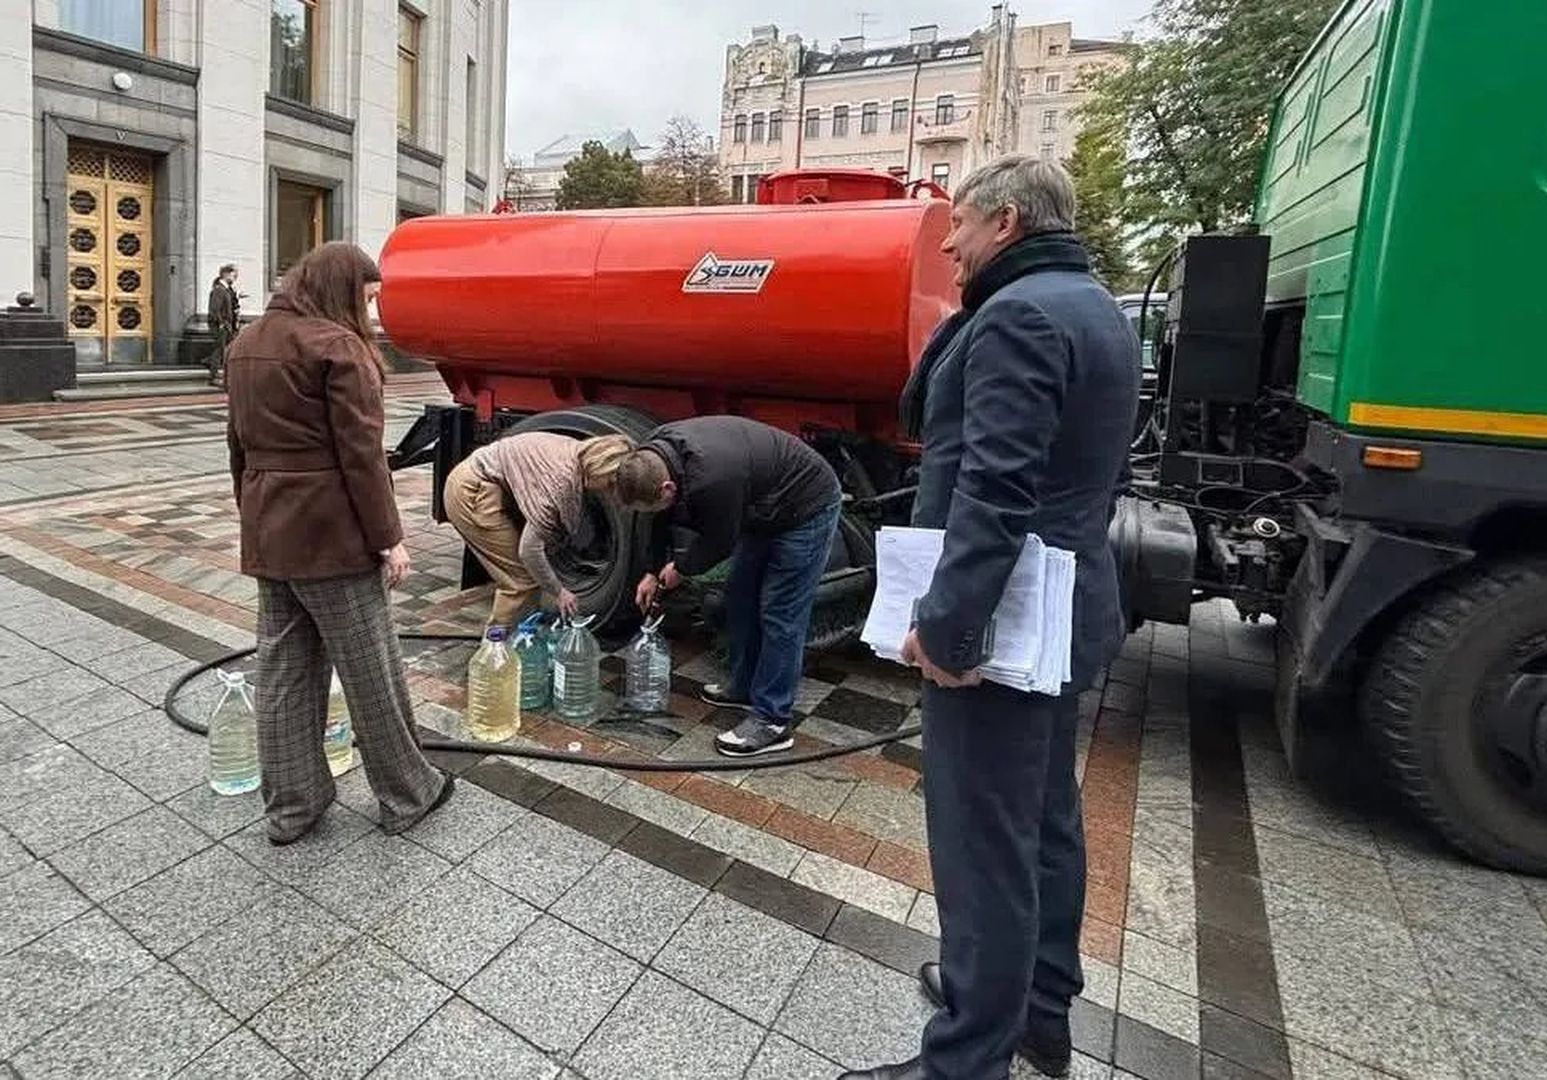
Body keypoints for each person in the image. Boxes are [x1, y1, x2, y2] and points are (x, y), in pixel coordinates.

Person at [837, 157, 1138, 1080]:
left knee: (982, 846)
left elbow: (996, 487)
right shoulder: (1091, 306)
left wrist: (951, 625)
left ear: (1004, 221)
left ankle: (966, 1059)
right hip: (1067, 603)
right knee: (1043, 820)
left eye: (958, 228)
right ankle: (1037, 1007)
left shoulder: (1017, 315)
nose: (951, 247)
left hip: (1005, 623)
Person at [225, 242, 453, 845]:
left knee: (282, 671)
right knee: (369, 667)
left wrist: (252, 513)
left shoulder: (247, 342)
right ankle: (409, 793)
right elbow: (361, 458)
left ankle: (292, 810)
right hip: (331, 536)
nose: (371, 314)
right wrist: (389, 539)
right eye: (367, 298)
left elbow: (237, 447)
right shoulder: (338, 347)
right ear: (340, 289)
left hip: (270, 529)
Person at [607, 416, 841, 757]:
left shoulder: (713, 479)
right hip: (763, 505)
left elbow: (719, 542)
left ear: (667, 489)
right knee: (740, 597)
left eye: (657, 502)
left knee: (780, 612)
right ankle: (744, 686)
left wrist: (680, 568)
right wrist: (649, 571)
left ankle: (772, 721)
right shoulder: (653, 455)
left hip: (805, 507)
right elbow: (654, 518)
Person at [442, 430, 634, 627]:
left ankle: (519, 638)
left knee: (530, 577)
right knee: (522, 581)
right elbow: (530, 552)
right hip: (472, 491)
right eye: (610, 483)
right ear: (601, 467)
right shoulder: (560, 484)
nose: (610, 491)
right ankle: (497, 650)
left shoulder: (575, 451)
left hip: (481, 480)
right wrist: (558, 591)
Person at [207, 264, 241, 387]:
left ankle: (215, 369)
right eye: (233, 274)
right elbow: (214, 309)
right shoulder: (219, 290)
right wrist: (221, 323)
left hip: (227, 326)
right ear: (226, 274)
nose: (235, 277)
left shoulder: (227, 290)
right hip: (221, 326)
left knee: (224, 351)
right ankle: (213, 376)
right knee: (219, 350)